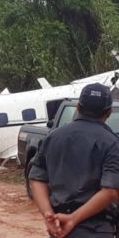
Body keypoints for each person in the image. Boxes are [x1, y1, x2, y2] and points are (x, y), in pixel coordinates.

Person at [29, 83, 119, 238]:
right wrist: (72, 219)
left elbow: (36, 178)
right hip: (96, 229)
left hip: (59, 228)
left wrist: (48, 214)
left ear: (78, 107)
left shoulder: (53, 137)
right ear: (109, 112)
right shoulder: (112, 143)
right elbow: (110, 191)